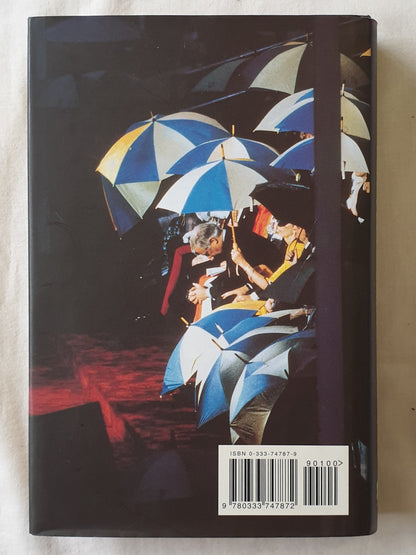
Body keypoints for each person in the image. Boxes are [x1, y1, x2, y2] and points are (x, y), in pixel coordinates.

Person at [221, 219, 310, 303]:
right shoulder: (292, 246)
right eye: (279, 222)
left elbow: (272, 287)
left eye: (283, 223)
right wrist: (247, 287)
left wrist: (243, 263)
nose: (278, 226)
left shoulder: (298, 248)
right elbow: (274, 276)